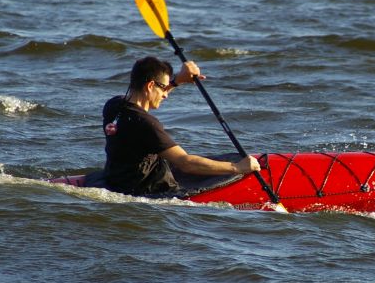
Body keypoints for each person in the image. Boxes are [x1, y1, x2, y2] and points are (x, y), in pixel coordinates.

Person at [101, 56, 260, 195]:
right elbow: (186, 163)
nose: (165, 94)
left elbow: (143, 100)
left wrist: (177, 81)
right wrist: (238, 167)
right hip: (149, 191)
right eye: (163, 88)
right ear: (150, 86)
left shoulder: (114, 106)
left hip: (118, 182)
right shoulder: (147, 124)